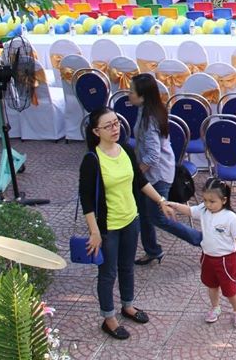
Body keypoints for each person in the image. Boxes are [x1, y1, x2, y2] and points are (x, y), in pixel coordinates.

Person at [79, 107, 177, 340]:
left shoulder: (126, 150)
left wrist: (161, 201)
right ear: (96, 131)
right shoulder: (92, 160)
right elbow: (86, 200)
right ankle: (109, 318)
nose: (115, 129)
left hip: (131, 219)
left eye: (116, 123)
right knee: (108, 272)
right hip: (108, 227)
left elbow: (140, 181)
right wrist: (94, 232)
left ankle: (128, 305)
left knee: (127, 267)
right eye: (108, 126)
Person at [129, 74, 202, 265]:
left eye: (132, 91)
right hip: (152, 173)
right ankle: (152, 250)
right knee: (144, 214)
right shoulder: (147, 110)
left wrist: (137, 174)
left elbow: (152, 156)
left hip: (157, 175)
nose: (129, 94)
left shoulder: (149, 119)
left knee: (158, 217)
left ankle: (201, 239)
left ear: (143, 96)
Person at [168, 178, 236, 326]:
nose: (207, 204)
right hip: (207, 256)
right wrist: (174, 205)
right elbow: (190, 211)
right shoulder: (203, 210)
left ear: (224, 200)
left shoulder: (230, 217)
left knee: (230, 288)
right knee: (211, 285)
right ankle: (215, 308)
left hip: (226, 260)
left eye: (212, 201)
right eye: (205, 200)